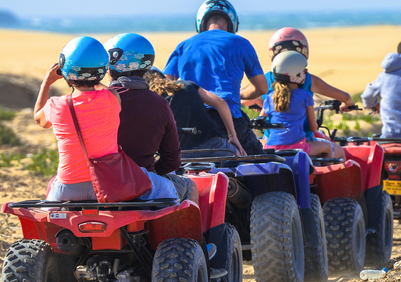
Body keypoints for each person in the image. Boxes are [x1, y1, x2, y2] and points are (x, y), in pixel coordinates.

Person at [34, 36, 177, 202]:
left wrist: (46, 82)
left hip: (67, 188)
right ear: (104, 70)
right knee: (170, 192)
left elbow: (39, 119)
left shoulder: (56, 105)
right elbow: (103, 88)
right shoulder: (112, 99)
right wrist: (95, 76)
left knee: (49, 216)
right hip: (106, 185)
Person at [163, 0, 267, 155]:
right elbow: (261, 87)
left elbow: (165, 85)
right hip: (229, 121)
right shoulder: (241, 43)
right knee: (261, 165)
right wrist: (238, 95)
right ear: (232, 22)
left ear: (201, 22)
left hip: (191, 123)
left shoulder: (184, 46)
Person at [104, 33, 198, 204]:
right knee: (190, 186)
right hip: (144, 184)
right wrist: (152, 171)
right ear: (146, 66)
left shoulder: (95, 102)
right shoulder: (159, 103)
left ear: (110, 69)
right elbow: (172, 160)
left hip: (100, 184)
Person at [251, 27, 354, 142]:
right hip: (303, 140)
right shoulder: (309, 80)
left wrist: (262, 103)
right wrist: (347, 103)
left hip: (271, 140)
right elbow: (345, 97)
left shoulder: (265, 80)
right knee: (333, 151)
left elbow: (246, 98)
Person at [145, 69, 246, 156]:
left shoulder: (152, 99)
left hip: (183, 153)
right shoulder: (186, 85)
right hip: (215, 145)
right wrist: (232, 135)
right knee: (244, 166)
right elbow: (220, 102)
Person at [261, 51, 343, 157]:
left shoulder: (270, 97)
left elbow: (260, 121)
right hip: (298, 147)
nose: (306, 73)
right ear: (296, 74)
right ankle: (324, 172)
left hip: (272, 148)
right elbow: (313, 128)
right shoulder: (305, 96)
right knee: (329, 148)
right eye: (305, 71)